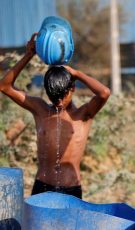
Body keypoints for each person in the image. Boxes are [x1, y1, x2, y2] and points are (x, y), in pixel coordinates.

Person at [0, 33, 111, 199]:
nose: (57, 102)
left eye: (61, 96)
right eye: (53, 97)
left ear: (72, 89)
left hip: (72, 190)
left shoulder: (84, 115)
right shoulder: (40, 109)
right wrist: (29, 55)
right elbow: (5, 86)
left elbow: (104, 92)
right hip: (42, 188)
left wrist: (76, 73)